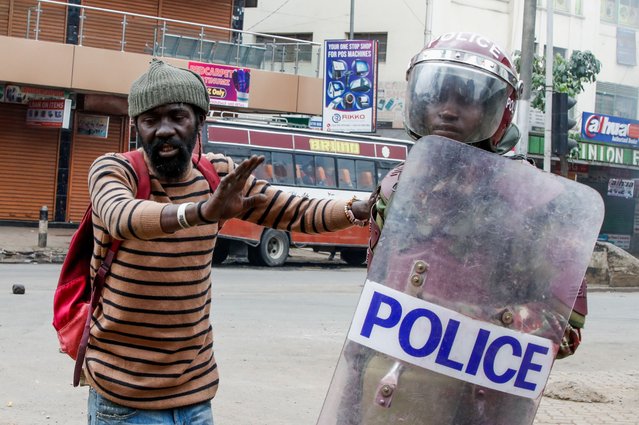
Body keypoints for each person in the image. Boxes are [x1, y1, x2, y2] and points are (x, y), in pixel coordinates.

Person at [83, 59, 370, 424]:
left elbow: (292, 211)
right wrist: (202, 211)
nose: (164, 130)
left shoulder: (215, 174)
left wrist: (360, 209)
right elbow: (122, 218)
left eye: (177, 116)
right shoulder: (114, 170)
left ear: (200, 121)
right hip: (124, 398)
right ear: (137, 126)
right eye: (151, 120)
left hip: (195, 394)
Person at [329, 32, 587, 424]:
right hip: (380, 396)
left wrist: (473, 323)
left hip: (477, 403)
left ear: (498, 110)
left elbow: (566, 328)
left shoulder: (537, 202)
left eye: (464, 99)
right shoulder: (399, 187)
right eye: (437, 97)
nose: (446, 111)